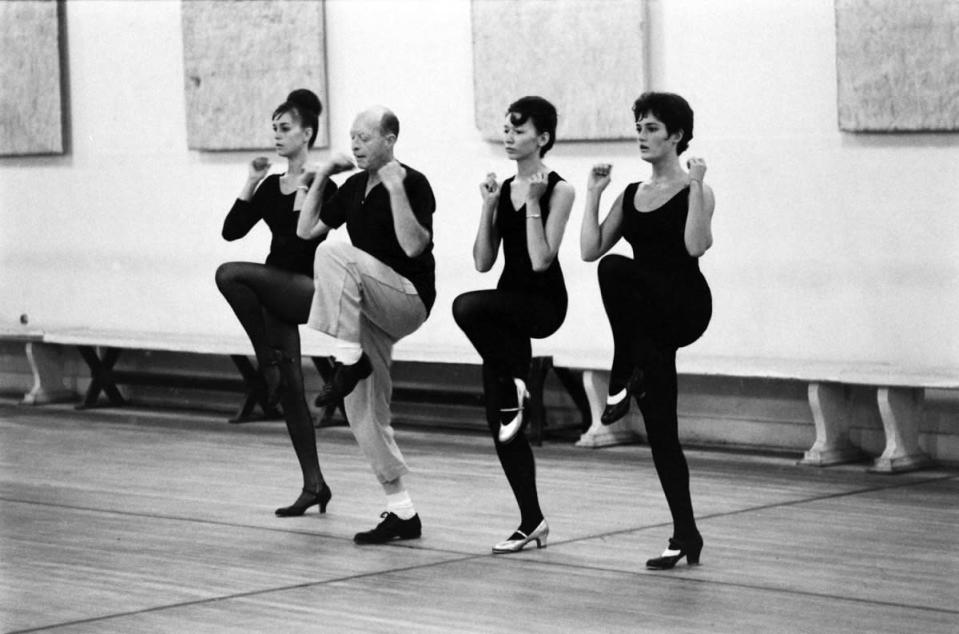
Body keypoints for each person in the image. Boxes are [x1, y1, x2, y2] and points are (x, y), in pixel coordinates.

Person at [580, 92, 714, 569]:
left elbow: (696, 245)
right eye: (639, 127)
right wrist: (593, 194)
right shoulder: (631, 195)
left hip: (684, 306)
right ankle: (685, 534)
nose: (642, 135)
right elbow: (590, 249)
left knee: (619, 270)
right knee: (662, 430)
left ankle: (621, 376)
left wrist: (697, 186)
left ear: (676, 136)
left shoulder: (693, 188)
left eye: (652, 128)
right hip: (648, 324)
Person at [297, 106, 436, 544]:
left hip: (407, 297)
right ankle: (402, 512)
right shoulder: (354, 185)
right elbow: (305, 231)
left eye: (365, 137)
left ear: (390, 140)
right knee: (362, 410)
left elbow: (415, 247)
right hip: (367, 307)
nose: (355, 144)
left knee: (333, 253)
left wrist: (395, 190)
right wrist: (323, 177)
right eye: (352, 137)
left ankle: (347, 358)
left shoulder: (412, 182)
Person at [453, 96, 575, 554]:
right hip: (506, 308)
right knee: (501, 425)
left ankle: (517, 385)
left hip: (541, 305)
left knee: (466, 307)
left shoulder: (559, 189)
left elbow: (542, 259)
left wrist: (534, 203)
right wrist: (488, 207)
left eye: (519, 129)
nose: (509, 136)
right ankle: (532, 522)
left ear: (542, 138)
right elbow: (484, 262)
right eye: (506, 128)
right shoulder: (503, 188)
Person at [215, 89, 338, 518]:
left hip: (305, 287)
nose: (277, 136)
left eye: (285, 129)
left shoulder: (325, 183)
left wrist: (307, 188)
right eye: (274, 129)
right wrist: (250, 182)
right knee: (290, 389)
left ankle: (264, 358)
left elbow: (301, 238)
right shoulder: (270, 186)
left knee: (229, 274)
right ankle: (314, 485)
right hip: (275, 289)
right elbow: (232, 232)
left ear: (307, 134)